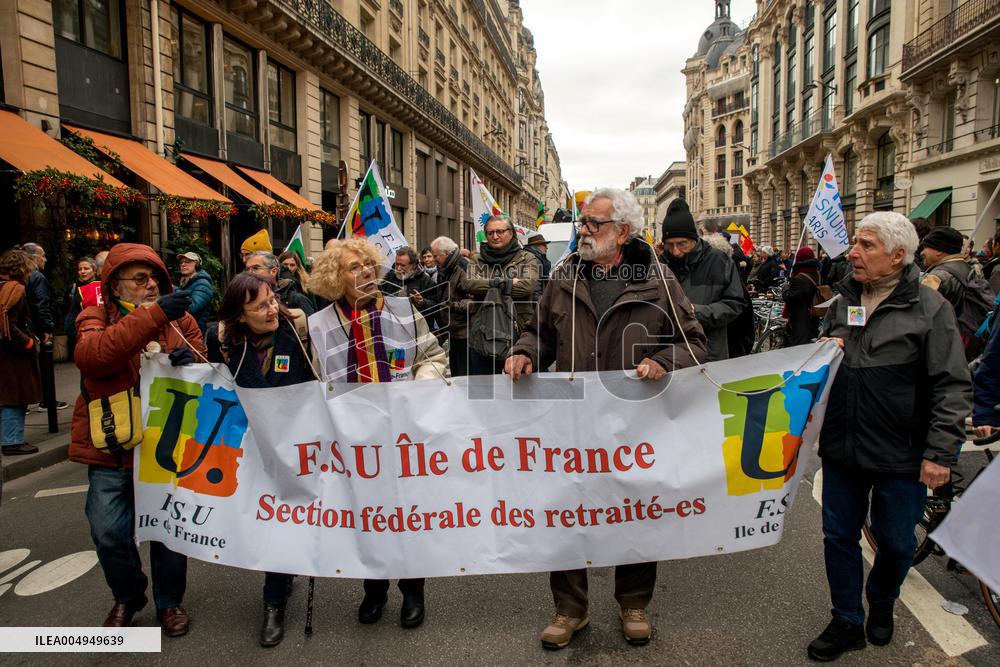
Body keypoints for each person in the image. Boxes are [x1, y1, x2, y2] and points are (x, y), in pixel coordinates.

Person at [505, 187, 708, 650]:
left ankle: (633, 603)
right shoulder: (564, 275)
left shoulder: (658, 279)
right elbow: (539, 332)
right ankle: (569, 609)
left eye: (594, 223)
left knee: (634, 509)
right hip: (573, 421)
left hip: (636, 423)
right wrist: (524, 352)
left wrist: (663, 362)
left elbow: (694, 342)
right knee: (567, 509)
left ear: (623, 231)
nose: (584, 229)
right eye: (583, 221)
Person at [808, 212, 971, 661]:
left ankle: (882, 600)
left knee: (897, 543)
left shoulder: (930, 307)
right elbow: (825, 353)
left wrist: (940, 453)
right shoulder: (844, 300)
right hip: (843, 445)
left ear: (898, 255)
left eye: (867, 245)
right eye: (855, 243)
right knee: (838, 536)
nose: (853, 253)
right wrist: (826, 349)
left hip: (903, 452)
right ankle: (846, 620)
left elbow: (952, 385)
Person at [307, 238, 447, 630]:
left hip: (402, 435)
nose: (366, 271)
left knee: (407, 516)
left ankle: (413, 590)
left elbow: (433, 358)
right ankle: (374, 589)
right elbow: (317, 381)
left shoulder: (403, 311)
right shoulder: (320, 325)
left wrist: (417, 391)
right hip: (354, 442)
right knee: (366, 517)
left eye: (368, 264)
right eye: (354, 267)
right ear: (336, 278)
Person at [71, 242, 206, 635]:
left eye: (155, 279)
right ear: (115, 286)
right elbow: (94, 357)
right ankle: (129, 596)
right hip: (113, 448)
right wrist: (154, 316)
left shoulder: (180, 320)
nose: (151, 286)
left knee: (167, 530)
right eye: (140, 279)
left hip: (164, 447)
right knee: (108, 532)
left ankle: (170, 602)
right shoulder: (94, 316)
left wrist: (190, 361)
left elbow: (205, 364)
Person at [209, 272, 316, 647]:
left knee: (280, 520)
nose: (272, 309)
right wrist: (181, 367)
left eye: (272, 300)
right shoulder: (222, 342)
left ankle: (273, 603)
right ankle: (281, 581)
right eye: (260, 306)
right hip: (245, 447)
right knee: (260, 520)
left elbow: (314, 383)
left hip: (289, 444)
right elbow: (211, 385)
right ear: (240, 315)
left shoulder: (296, 333)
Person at [660, 199, 745, 362]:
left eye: (682, 244)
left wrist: (695, 312)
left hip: (709, 354)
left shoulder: (719, 261)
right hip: (669, 356)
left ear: (694, 239)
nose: (676, 251)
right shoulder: (660, 264)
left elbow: (735, 304)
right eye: (670, 245)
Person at [463, 216, 540, 375]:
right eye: (490, 233)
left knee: (518, 386)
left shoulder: (527, 258)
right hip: (482, 335)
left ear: (511, 233)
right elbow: (469, 284)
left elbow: (527, 287)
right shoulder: (477, 259)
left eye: (500, 231)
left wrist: (487, 284)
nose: (495, 236)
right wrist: (505, 282)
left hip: (518, 334)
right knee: (483, 387)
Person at [0, 248, 42, 456]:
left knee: (7, 396)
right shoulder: (14, 289)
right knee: (14, 397)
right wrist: (28, 343)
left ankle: (10, 439)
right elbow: (10, 324)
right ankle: (12, 441)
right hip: (12, 356)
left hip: (5, 353)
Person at [22, 243, 67, 410]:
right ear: (34, 257)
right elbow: (42, 304)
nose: (45, 259)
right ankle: (47, 401)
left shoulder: (19, 275)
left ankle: (22, 403)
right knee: (43, 365)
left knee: (23, 367)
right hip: (34, 328)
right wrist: (47, 328)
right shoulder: (36, 277)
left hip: (21, 328)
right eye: (43, 256)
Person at [430, 235, 472, 376]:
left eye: (436, 256)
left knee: (463, 375)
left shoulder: (463, 267)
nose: (434, 260)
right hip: (453, 331)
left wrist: (452, 305)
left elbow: (474, 301)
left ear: (447, 253)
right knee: (456, 374)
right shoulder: (445, 269)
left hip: (465, 333)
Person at [380, 246, 440, 326]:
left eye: (403, 265)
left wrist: (422, 302)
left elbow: (436, 307)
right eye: (397, 264)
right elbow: (379, 296)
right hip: (393, 326)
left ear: (413, 265)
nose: (398, 268)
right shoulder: (389, 277)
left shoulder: (425, 281)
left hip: (417, 328)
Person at [246, 251, 315, 316]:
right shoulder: (246, 297)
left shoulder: (297, 299)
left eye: (256, 268)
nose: (249, 273)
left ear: (273, 271)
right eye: (247, 269)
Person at [782, 247, 821, 346]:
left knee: (798, 347)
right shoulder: (816, 273)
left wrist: (785, 288)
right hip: (813, 316)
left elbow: (791, 298)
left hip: (800, 319)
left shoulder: (799, 278)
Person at [64, 256, 99, 359]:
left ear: (95, 270)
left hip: (87, 337)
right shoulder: (74, 288)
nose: (82, 272)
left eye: (86, 268)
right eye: (80, 269)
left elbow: (69, 322)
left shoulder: (81, 291)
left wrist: (78, 338)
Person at [175, 252, 213, 334]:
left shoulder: (203, 283)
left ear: (197, 264)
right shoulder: (185, 282)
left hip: (196, 331)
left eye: (187, 262)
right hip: (185, 329)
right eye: (181, 262)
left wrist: (174, 290)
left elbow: (192, 307)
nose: (183, 264)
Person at [522, 233, 552, 301]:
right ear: (536, 246)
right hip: (535, 302)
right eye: (544, 245)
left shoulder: (530, 257)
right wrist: (542, 302)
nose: (547, 247)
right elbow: (535, 288)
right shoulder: (535, 260)